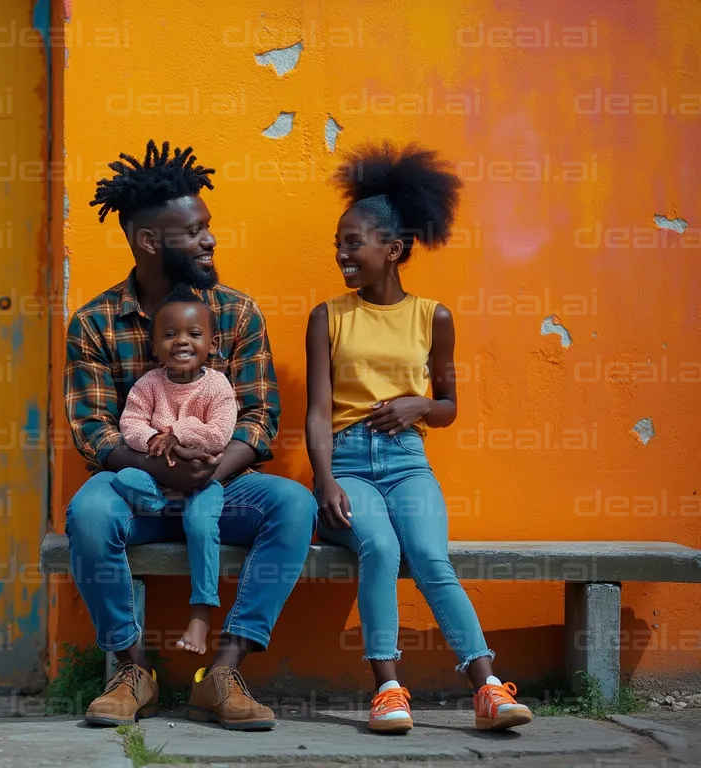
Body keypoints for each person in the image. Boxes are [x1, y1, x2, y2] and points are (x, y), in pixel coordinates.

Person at [64, 139, 316, 731]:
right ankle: (132, 670)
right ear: (150, 241)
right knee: (89, 513)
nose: (210, 240)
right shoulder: (94, 324)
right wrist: (165, 470)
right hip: (138, 491)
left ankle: (221, 672)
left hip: (221, 487)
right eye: (195, 231)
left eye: (209, 227)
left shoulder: (236, 314)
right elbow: (94, 433)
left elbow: (259, 417)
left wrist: (210, 471)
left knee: (294, 505)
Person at [305, 140, 534, 734]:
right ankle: (387, 691)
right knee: (379, 549)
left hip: (408, 463)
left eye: (353, 243)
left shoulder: (434, 317)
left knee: (431, 557)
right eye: (338, 245)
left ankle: (486, 687)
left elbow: (450, 407)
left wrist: (420, 405)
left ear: (395, 247)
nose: (342, 254)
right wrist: (325, 479)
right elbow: (317, 411)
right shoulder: (328, 317)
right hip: (349, 463)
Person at [114, 282, 237, 656]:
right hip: (156, 478)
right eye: (169, 335)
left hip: (201, 484)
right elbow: (130, 423)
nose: (181, 342)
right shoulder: (149, 384)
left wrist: (177, 435)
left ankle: (200, 614)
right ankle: (159, 505)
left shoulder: (217, 386)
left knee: (202, 525)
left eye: (193, 334)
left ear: (212, 344)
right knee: (123, 478)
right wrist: (156, 440)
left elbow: (219, 433)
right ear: (155, 348)